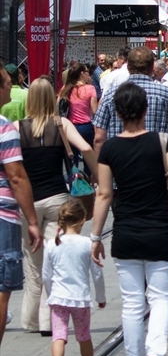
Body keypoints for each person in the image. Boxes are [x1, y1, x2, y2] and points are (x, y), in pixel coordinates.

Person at [92, 82, 168, 356]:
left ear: (117, 113)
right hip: (159, 230)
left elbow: (104, 194)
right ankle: (155, 355)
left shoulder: (109, 149)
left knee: (133, 305)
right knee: (160, 299)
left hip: (126, 233)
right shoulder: (162, 140)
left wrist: (95, 237)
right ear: (146, 109)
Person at [16, 79, 96, 335]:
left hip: (28, 203)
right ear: (52, 98)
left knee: (32, 262)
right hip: (57, 200)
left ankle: (29, 321)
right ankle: (47, 321)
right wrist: (96, 176)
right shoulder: (62, 124)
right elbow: (85, 147)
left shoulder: (18, 128)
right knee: (55, 260)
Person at [0, 63, 41, 356]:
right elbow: (15, 175)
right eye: (4, 83)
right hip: (2, 217)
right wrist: (31, 220)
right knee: (1, 292)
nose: (7, 88)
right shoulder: (4, 127)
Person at [42, 198, 106, 356]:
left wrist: (50, 294)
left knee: (59, 335)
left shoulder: (52, 244)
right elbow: (97, 274)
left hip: (58, 298)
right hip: (80, 299)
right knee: (83, 335)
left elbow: (46, 274)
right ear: (82, 220)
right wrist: (101, 297)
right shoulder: (87, 243)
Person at [93, 47, 168, 153]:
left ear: (128, 66)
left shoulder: (111, 94)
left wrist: (100, 167)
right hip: (153, 159)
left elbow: (99, 138)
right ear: (152, 67)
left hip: (118, 159)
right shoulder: (164, 93)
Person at [59, 63, 99, 162]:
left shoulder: (66, 88)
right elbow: (94, 111)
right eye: (87, 72)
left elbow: (58, 106)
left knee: (72, 158)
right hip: (86, 126)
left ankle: (73, 176)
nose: (88, 75)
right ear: (82, 73)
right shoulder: (90, 88)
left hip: (70, 127)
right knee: (89, 157)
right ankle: (88, 176)